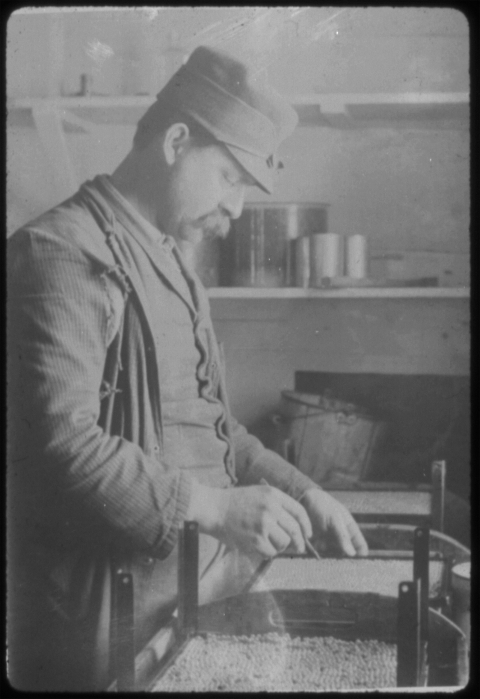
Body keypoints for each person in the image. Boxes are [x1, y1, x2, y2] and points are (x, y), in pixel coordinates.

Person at [7, 45, 368, 692]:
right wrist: (215, 506)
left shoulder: (173, 263)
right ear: (177, 140)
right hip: (104, 626)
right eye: (229, 177)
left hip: (191, 599)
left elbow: (214, 425)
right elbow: (60, 444)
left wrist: (303, 492)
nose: (237, 209)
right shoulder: (58, 254)